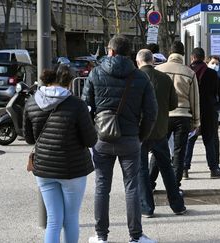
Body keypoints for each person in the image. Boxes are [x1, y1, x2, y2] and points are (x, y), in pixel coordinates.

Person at [82, 34, 158, 243]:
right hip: (130, 139)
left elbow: (85, 108)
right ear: (128, 53)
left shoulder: (95, 74)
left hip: (102, 139)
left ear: (111, 51)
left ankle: (101, 236)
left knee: (101, 186)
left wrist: (92, 136)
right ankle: (135, 236)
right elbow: (152, 112)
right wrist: (140, 135)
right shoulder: (140, 77)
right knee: (132, 187)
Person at [23, 65, 97, 243]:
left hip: (44, 168)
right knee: (70, 218)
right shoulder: (77, 104)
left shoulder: (32, 102)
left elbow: (29, 138)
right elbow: (90, 140)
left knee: (54, 220)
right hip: (72, 169)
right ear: (69, 82)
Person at [136, 49, 186, 217]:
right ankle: (177, 205)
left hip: (140, 132)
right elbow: (173, 104)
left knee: (142, 169)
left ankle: (147, 208)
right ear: (152, 61)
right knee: (166, 168)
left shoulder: (133, 79)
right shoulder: (164, 78)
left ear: (138, 62)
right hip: (159, 130)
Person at [155, 41, 200, 192]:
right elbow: (195, 99)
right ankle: (174, 187)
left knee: (157, 149)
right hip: (183, 116)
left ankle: (150, 183)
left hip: (163, 116)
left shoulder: (158, 70)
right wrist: (196, 121)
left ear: (169, 53)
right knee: (179, 153)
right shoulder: (189, 72)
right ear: (183, 54)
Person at [183, 51, 220, 179]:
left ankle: (185, 169)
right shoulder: (214, 75)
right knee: (209, 141)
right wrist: (214, 108)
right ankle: (213, 169)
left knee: (189, 141)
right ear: (204, 59)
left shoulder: (186, 72)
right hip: (209, 113)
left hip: (190, 112)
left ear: (192, 57)